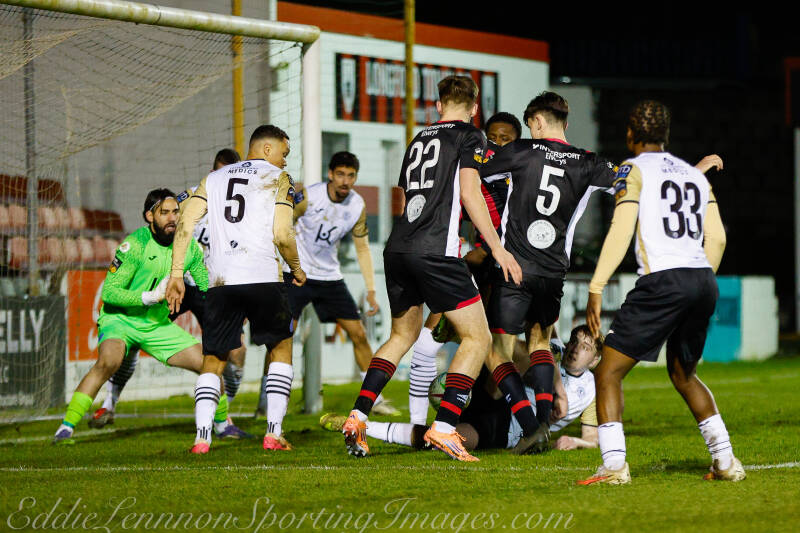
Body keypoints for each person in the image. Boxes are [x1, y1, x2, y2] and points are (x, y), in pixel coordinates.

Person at [341, 75, 522, 462]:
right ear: (474, 108)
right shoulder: (471, 136)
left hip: (399, 247)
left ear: (438, 106)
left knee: (401, 335)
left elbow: (406, 199)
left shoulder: (417, 140)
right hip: (436, 250)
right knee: (478, 338)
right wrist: (498, 249)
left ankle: (357, 416)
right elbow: (470, 193)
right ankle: (443, 428)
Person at [579, 100, 744, 485]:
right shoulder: (694, 174)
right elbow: (717, 237)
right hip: (702, 279)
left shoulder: (630, 169)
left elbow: (621, 228)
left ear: (630, 134)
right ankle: (726, 462)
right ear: (667, 135)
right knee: (684, 374)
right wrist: (699, 280)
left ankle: (615, 465)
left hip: (663, 281)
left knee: (608, 371)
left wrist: (596, 286)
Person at [53, 189, 244, 444]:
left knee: (209, 364)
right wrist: (149, 297)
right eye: (164, 213)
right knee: (109, 361)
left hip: (155, 325)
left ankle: (221, 424)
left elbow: (204, 288)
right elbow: (109, 293)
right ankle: (66, 428)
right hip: (120, 319)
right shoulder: (135, 245)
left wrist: (231, 304)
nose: (172, 218)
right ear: (149, 216)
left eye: (175, 211)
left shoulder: (189, 247)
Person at [166, 125, 306, 454]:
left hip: (221, 281)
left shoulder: (213, 179)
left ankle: (202, 438)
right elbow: (283, 233)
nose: (285, 162)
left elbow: (186, 222)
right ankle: (272, 433)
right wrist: (297, 269)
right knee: (280, 348)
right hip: (263, 276)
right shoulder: (277, 177)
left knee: (213, 358)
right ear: (268, 150)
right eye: (284, 154)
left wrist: (175, 272)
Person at [89, 149, 248, 429]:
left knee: (236, 352)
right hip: (176, 284)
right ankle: (109, 404)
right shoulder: (191, 200)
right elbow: (167, 213)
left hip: (212, 287)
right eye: (219, 174)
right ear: (212, 174)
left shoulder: (241, 209)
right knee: (132, 340)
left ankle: (222, 413)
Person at [406, 111, 522, 426]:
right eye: (493, 137)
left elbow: (505, 228)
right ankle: (423, 423)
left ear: (516, 144)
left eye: (505, 139)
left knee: (499, 353)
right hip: (477, 269)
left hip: (508, 273)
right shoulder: (471, 171)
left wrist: (481, 253)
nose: (496, 144)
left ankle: (527, 416)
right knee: (431, 341)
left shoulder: (514, 179)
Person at [322, 325, 601, 452]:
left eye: (585, 347)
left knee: (441, 440)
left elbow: (592, 436)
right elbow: (529, 353)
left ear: (596, 360)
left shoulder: (590, 391)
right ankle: (459, 332)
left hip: (508, 425)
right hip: (494, 389)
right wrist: (558, 389)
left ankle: (366, 428)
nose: (576, 349)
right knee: (511, 348)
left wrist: (573, 441)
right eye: (576, 341)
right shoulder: (552, 352)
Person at [281, 151, 398, 416]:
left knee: (358, 334)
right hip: (298, 274)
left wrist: (370, 289)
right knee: (284, 335)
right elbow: (283, 223)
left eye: (351, 175)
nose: (345, 181)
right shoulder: (309, 196)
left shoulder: (357, 205)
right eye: (341, 174)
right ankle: (271, 400)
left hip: (330, 278)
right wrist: (282, 263)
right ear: (330, 175)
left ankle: (375, 400)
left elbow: (363, 248)